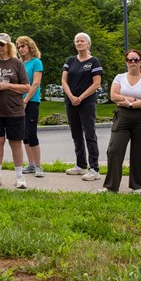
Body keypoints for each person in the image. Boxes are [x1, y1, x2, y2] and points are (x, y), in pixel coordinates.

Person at [100, 50, 141, 194]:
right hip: (122, 116)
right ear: (126, 62)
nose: (133, 63)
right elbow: (113, 95)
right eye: (130, 60)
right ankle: (111, 187)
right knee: (114, 150)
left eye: (136, 60)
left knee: (139, 152)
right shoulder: (119, 77)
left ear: (140, 62)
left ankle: (136, 186)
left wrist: (130, 102)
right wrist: (136, 100)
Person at [0, 33, 30, 189]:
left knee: (15, 142)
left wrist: (6, 86)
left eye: (2, 44)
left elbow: (26, 87)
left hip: (14, 109)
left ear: (9, 46)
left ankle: (19, 176)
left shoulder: (17, 63)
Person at [61, 32, 103, 181]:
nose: (79, 43)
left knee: (89, 134)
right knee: (76, 134)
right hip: (71, 102)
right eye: (77, 41)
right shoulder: (70, 61)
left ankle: (94, 168)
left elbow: (96, 83)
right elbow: (64, 81)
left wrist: (81, 97)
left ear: (88, 44)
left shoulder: (94, 61)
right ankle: (80, 165)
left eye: (82, 41)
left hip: (87, 103)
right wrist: (71, 97)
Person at [16, 36, 44, 178]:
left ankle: (38, 166)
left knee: (31, 133)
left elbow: (35, 83)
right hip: (18, 102)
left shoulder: (36, 62)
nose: (21, 49)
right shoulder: (19, 64)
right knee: (24, 134)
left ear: (30, 47)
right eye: (19, 47)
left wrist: (26, 100)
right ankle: (31, 163)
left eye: (23, 46)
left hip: (31, 101)